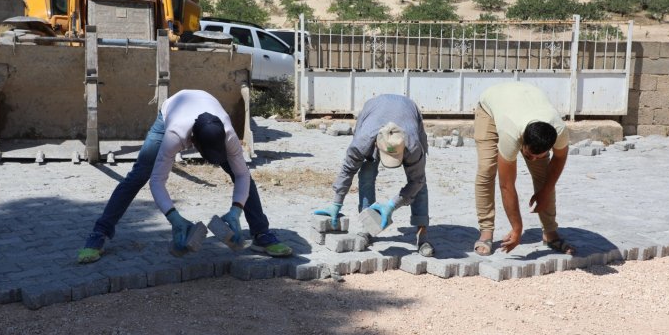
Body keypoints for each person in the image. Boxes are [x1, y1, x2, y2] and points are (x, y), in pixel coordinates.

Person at [77, 90, 293, 263]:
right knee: (139, 174)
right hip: (172, 110)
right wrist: (175, 219)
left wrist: (236, 210)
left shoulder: (227, 134)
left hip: (207, 108)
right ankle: (99, 234)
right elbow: (157, 181)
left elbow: (243, 175)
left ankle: (261, 234)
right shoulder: (174, 135)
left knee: (241, 174)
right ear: (193, 144)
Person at [314, 94, 433, 257]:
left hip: (407, 110)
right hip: (374, 111)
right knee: (366, 174)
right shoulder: (362, 142)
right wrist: (336, 203)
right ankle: (368, 227)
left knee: (420, 182)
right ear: (377, 144)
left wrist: (392, 205)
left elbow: (417, 181)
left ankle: (422, 235)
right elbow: (348, 169)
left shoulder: (413, 145)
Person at [473, 81, 574, 256]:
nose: (533, 159)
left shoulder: (559, 131)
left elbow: (559, 159)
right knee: (487, 170)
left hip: (526, 100)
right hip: (490, 107)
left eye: (539, 155)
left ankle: (550, 232)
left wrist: (545, 191)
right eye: (528, 155)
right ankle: (486, 231)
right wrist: (517, 227)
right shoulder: (511, 135)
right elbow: (507, 185)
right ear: (522, 143)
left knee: (544, 177)